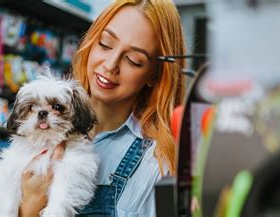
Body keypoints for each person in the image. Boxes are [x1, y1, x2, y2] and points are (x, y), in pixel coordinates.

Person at [19, 0, 186, 216]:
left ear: (154, 75)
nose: (110, 65)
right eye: (105, 44)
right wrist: (29, 205)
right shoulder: (39, 124)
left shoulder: (155, 164)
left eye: (133, 60)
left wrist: (32, 207)